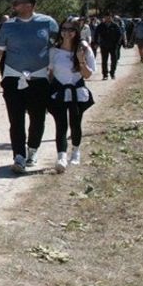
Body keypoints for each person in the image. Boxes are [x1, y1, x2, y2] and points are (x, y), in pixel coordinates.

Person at [0, 0, 59, 173]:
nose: (14, 5)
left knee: (38, 118)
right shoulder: (8, 26)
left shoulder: (48, 23)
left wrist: (55, 74)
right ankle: (18, 155)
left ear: (30, 5)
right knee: (15, 118)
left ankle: (32, 150)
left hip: (39, 78)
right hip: (13, 77)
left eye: (17, 2)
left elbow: (56, 49)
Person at [48, 17, 96, 172]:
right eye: (64, 29)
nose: (67, 33)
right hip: (59, 92)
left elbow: (88, 75)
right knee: (60, 124)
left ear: (76, 32)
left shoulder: (84, 49)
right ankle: (61, 156)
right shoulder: (54, 50)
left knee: (75, 123)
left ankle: (75, 151)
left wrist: (81, 61)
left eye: (71, 30)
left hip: (77, 92)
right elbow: (49, 73)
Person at [93, 13, 122, 79]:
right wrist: (96, 43)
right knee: (104, 61)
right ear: (104, 18)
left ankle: (112, 73)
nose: (108, 18)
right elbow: (96, 34)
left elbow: (119, 35)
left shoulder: (115, 25)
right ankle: (105, 75)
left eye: (109, 17)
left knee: (114, 60)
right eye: (106, 17)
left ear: (111, 18)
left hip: (113, 46)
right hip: (104, 45)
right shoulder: (101, 25)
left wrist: (117, 43)